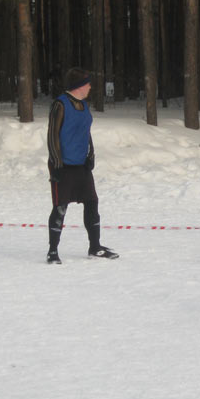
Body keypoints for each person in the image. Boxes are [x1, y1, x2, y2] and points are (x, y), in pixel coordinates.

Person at [46, 67, 118, 264]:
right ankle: (52, 251)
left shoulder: (84, 105)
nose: (90, 87)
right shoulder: (60, 105)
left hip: (81, 166)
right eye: (87, 83)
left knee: (92, 203)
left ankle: (95, 247)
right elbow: (52, 135)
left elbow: (86, 132)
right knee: (60, 207)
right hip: (63, 166)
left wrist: (91, 154)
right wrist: (57, 162)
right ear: (78, 86)